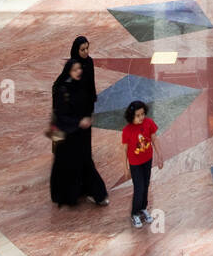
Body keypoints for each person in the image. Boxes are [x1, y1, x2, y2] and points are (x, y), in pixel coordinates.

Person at [51, 57, 108, 208]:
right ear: (68, 71)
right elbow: (60, 116)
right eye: (75, 69)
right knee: (70, 164)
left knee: (84, 162)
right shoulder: (61, 90)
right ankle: (96, 195)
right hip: (68, 135)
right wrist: (78, 122)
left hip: (81, 134)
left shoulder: (80, 86)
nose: (79, 71)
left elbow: (86, 104)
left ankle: (97, 194)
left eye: (79, 68)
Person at [69, 35, 110, 205]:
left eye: (87, 48)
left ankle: (84, 189)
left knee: (83, 151)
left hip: (85, 114)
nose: (86, 52)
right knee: (82, 154)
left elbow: (91, 87)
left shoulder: (90, 62)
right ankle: (97, 192)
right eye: (82, 49)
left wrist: (91, 110)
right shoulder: (72, 67)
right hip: (75, 117)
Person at [122, 100, 163, 229]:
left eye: (143, 114)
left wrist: (159, 155)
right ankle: (134, 213)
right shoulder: (127, 130)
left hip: (147, 160)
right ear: (131, 116)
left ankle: (143, 208)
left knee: (146, 185)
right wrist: (125, 168)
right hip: (135, 164)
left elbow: (154, 138)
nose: (141, 117)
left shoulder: (149, 123)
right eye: (138, 115)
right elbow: (124, 150)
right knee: (139, 188)